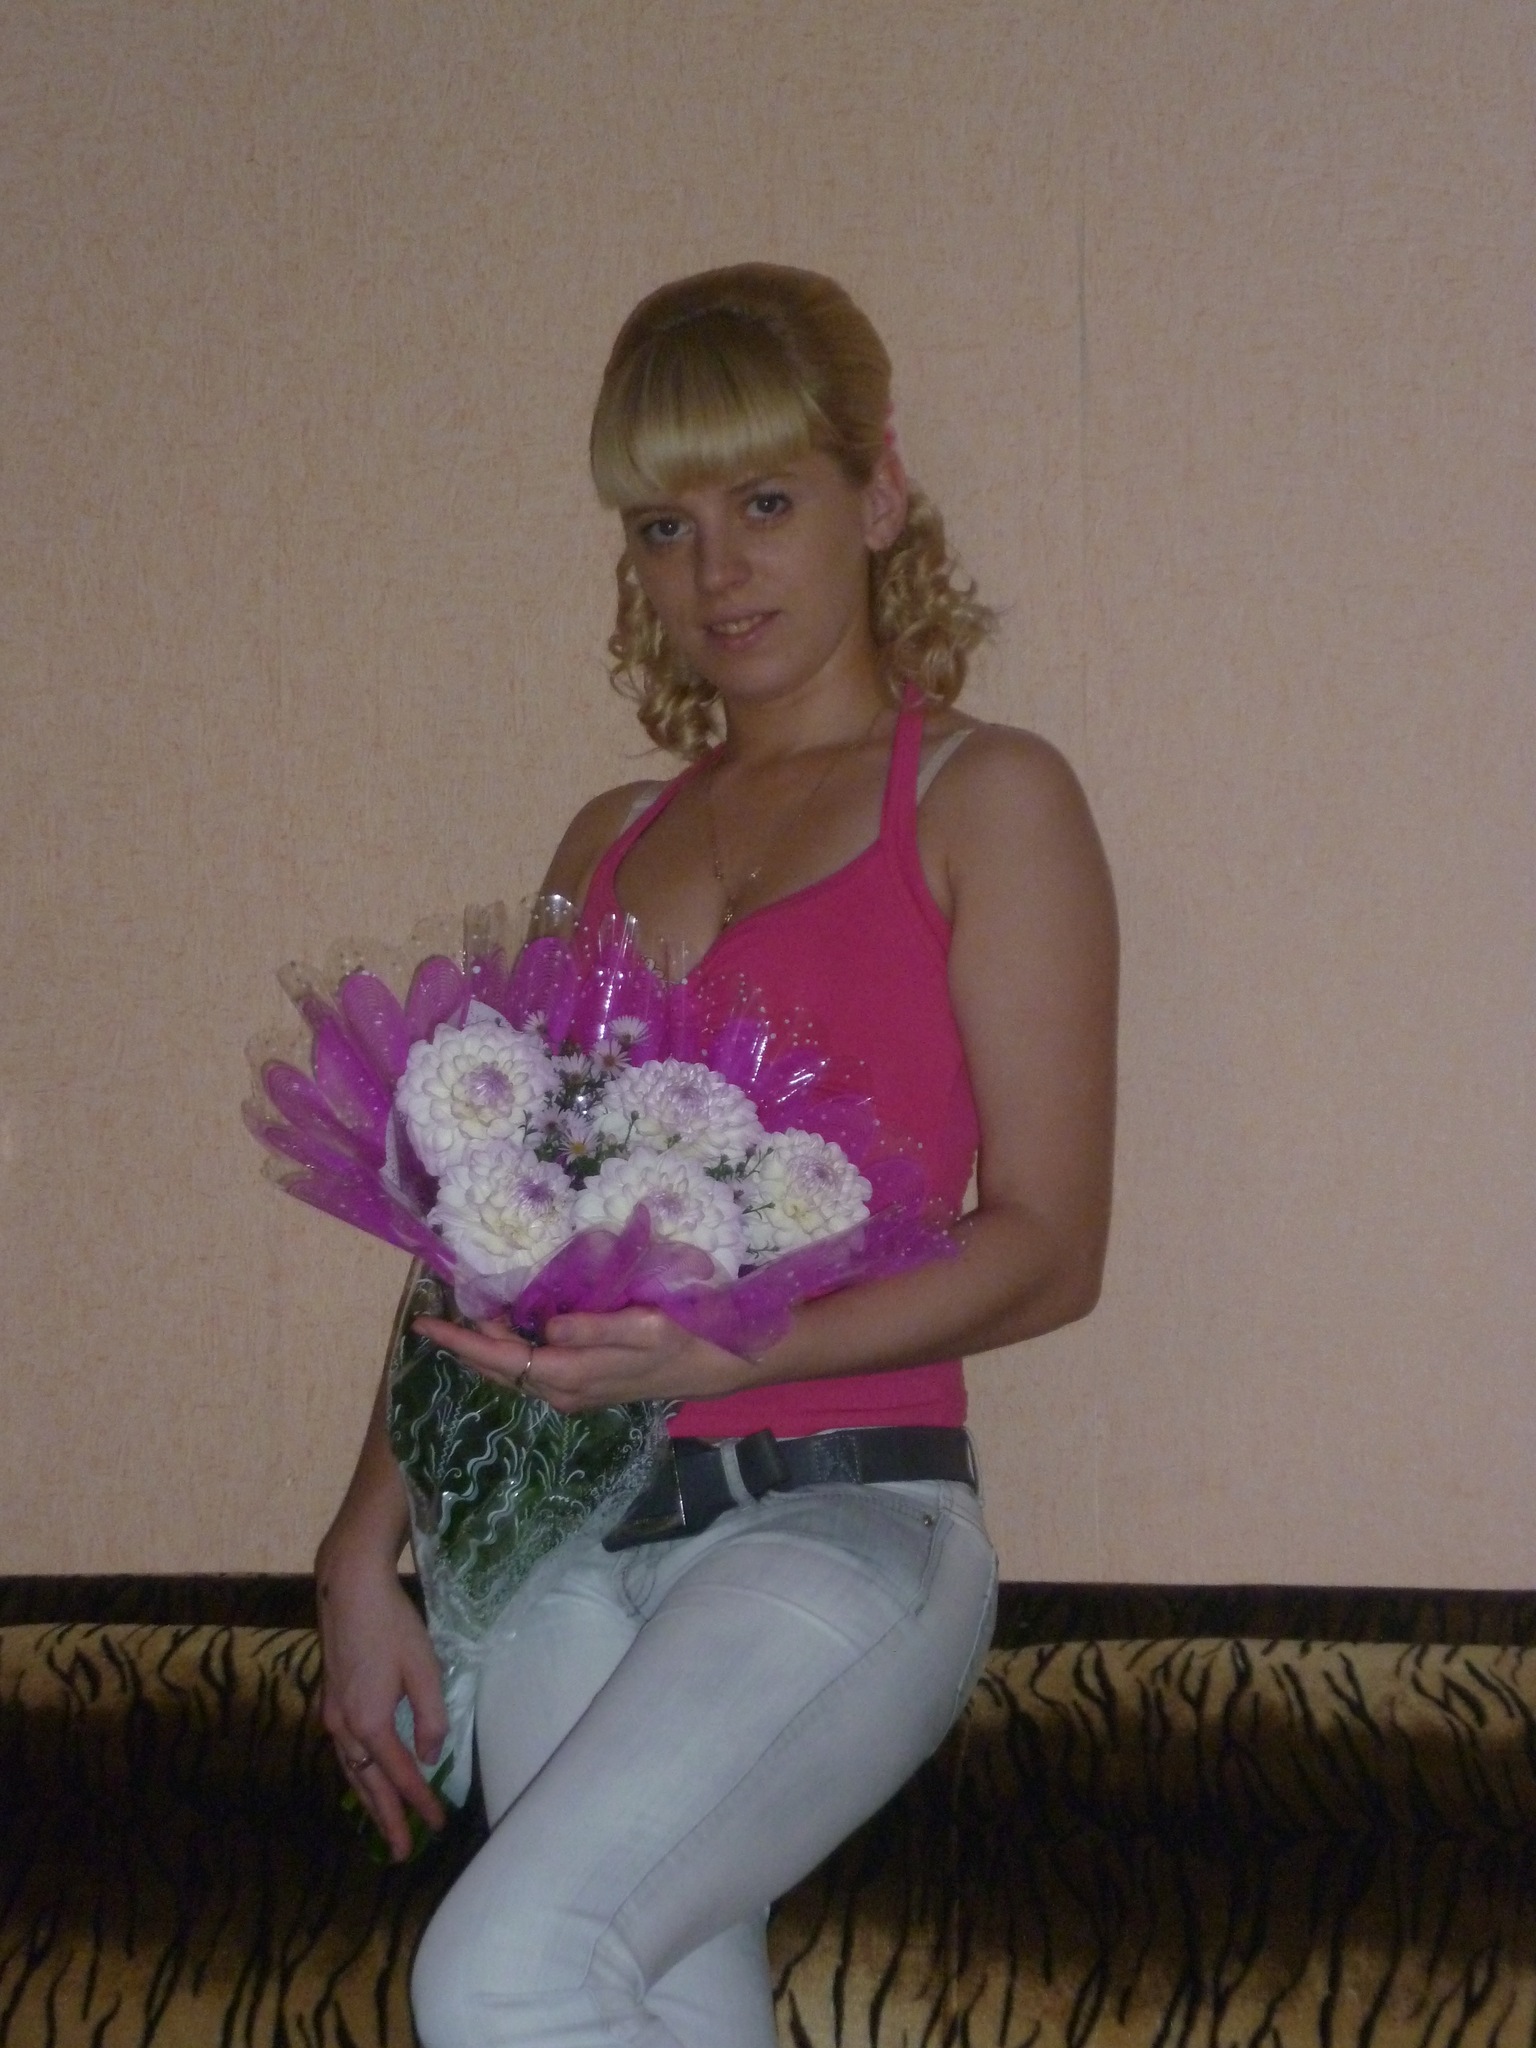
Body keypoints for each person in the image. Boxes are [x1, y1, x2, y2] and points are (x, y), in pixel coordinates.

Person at [314, 262, 1118, 2047]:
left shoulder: (986, 800)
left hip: (844, 1516)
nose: (717, 572)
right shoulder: (605, 840)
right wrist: (366, 1547)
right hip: (555, 1535)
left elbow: (1051, 1244)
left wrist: (730, 1350)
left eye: (766, 503)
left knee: (504, 1971)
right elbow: (479, 1230)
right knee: (649, 2007)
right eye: (666, 526)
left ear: (877, 495)